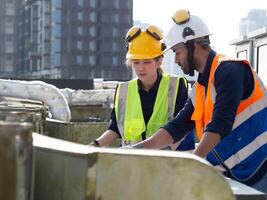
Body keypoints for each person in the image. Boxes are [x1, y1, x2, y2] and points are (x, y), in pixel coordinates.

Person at [130, 10, 267, 193]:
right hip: (238, 175)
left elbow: (220, 124)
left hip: (261, 171)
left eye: (178, 52)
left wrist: (191, 166)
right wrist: (133, 151)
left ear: (193, 44)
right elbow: (176, 127)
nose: (176, 59)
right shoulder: (200, 88)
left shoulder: (230, 70)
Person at [90, 24, 195, 151]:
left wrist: (162, 153)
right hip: (133, 164)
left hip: (168, 163)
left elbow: (182, 128)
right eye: (136, 62)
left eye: (146, 62)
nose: (140, 68)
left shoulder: (176, 85)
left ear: (159, 61)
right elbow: (115, 128)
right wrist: (95, 145)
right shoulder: (124, 90)